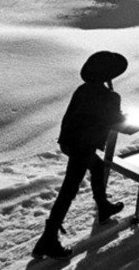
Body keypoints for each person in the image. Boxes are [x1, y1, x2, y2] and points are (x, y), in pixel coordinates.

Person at [32, 51, 130, 261]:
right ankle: (48, 239)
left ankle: (103, 206)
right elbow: (121, 124)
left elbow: (89, 115)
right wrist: (134, 123)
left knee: (97, 167)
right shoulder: (109, 97)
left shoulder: (83, 89)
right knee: (69, 190)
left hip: (69, 141)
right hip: (83, 147)